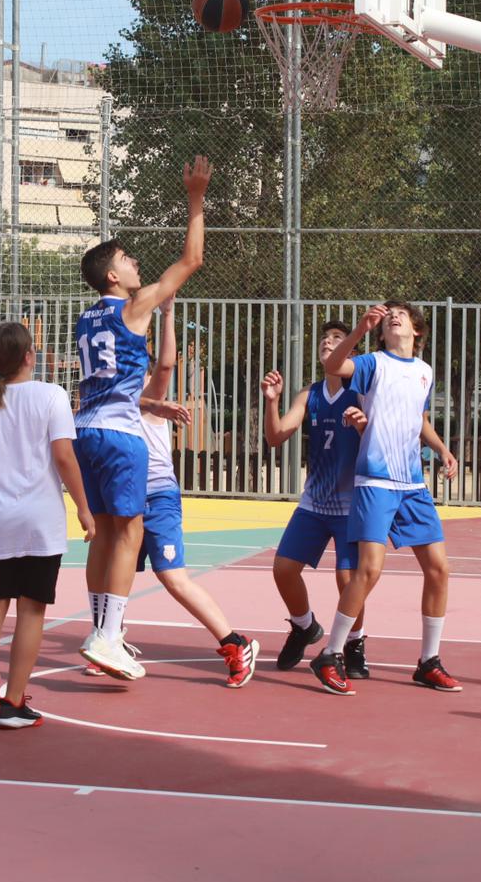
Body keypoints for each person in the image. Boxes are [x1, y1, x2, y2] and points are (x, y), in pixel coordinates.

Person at [73, 155, 212, 680]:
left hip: (85, 428)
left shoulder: (86, 318)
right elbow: (191, 260)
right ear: (113, 275)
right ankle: (109, 636)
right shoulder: (133, 307)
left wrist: (150, 402)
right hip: (118, 435)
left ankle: (103, 632)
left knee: (105, 534)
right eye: (129, 260)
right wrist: (195, 197)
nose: (137, 266)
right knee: (130, 535)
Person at [310, 300, 457, 696]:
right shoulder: (373, 362)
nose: (395, 316)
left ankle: (429, 661)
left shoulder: (424, 372)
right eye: (390, 314)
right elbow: (333, 368)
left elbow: (420, 420)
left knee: (439, 570)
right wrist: (358, 330)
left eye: (403, 314)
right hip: (375, 481)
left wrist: (442, 449)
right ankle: (331, 653)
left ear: (417, 330)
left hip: (412, 485)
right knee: (369, 571)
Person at [118, 298, 258, 687]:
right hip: (123, 497)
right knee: (116, 576)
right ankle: (109, 640)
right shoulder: (110, 399)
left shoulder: (148, 396)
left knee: (172, 576)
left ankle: (234, 642)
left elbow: (164, 365)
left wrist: (166, 314)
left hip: (157, 495)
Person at [0, 322, 94, 731]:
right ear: (28, 356)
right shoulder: (51, 395)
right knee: (32, 610)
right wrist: (84, 508)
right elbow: (64, 458)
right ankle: (13, 701)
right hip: (40, 519)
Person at [261, 321, 367, 674]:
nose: (328, 342)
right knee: (283, 569)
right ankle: (305, 625)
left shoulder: (362, 393)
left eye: (337, 339)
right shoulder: (309, 394)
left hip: (352, 505)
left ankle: (354, 644)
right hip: (315, 502)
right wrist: (271, 403)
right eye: (325, 339)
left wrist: (364, 426)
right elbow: (276, 437)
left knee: (348, 580)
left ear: (350, 353)